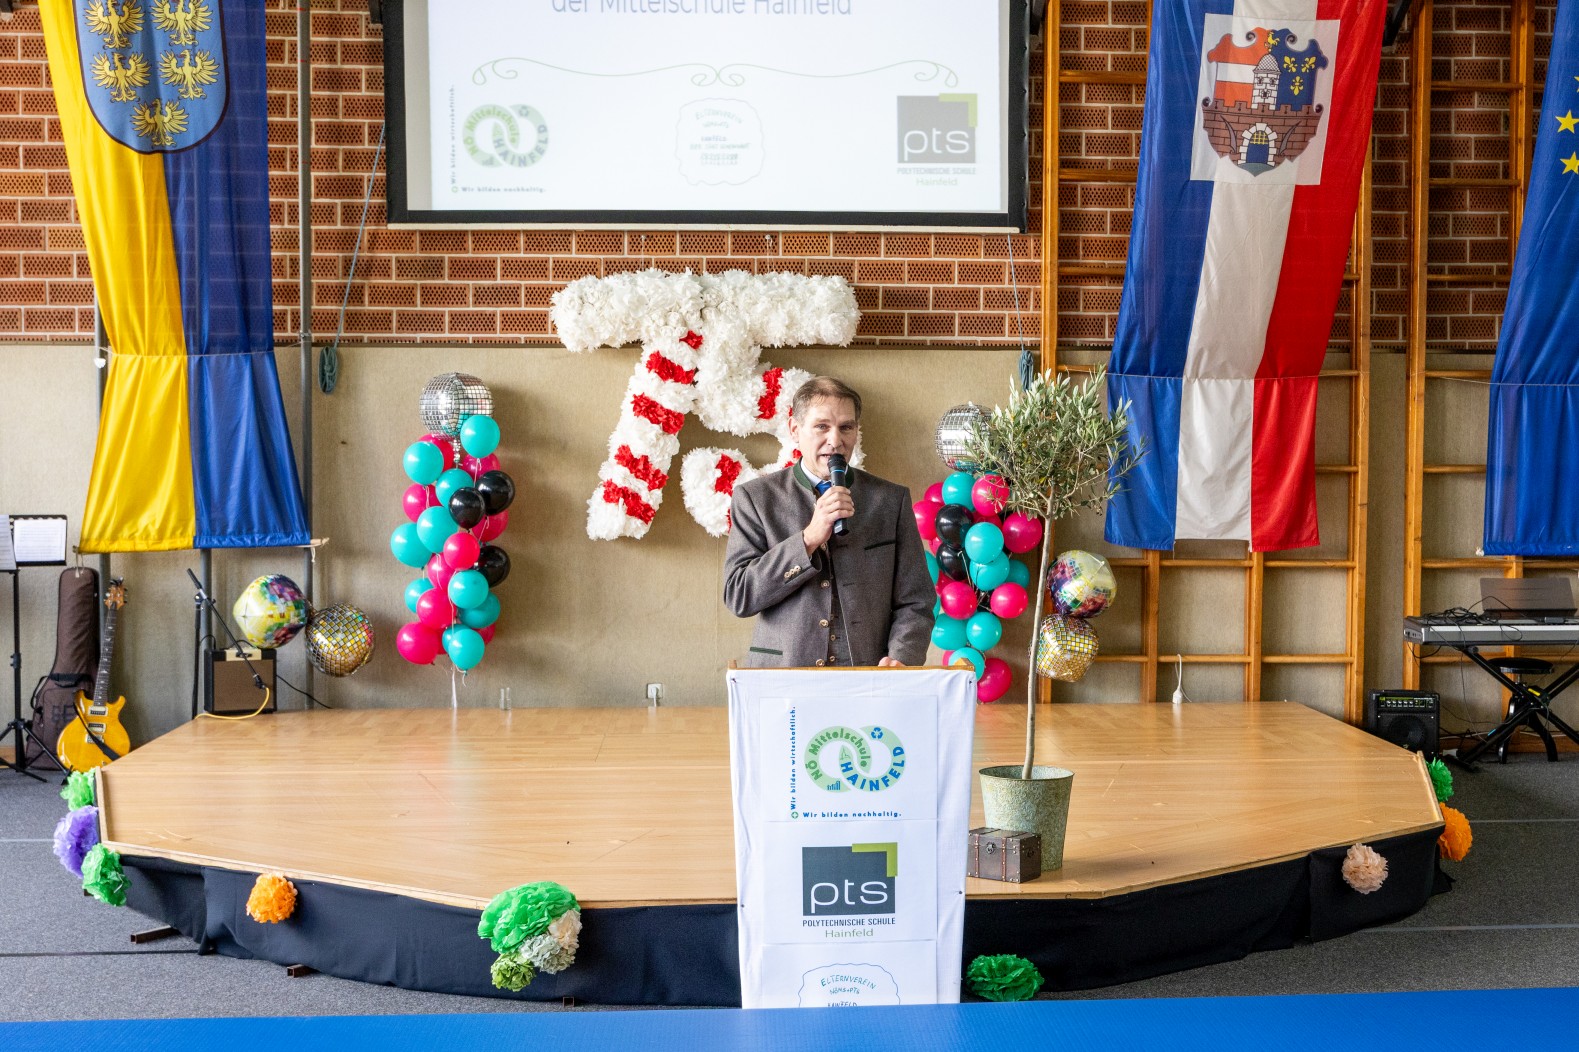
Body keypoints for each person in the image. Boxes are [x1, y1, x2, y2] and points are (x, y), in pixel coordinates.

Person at [723, 376, 932, 668]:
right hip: (784, 677)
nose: (835, 441)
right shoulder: (755, 498)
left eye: (846, 427)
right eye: (822, 426)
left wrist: (901, 657)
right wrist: (808, 539)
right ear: (795, 430)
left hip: (869, 675)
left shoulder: (890, 500)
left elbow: (917, 600)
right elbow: (739, 595)